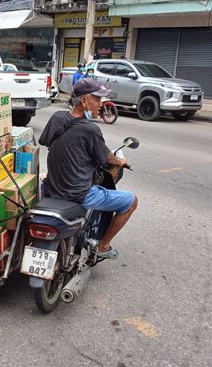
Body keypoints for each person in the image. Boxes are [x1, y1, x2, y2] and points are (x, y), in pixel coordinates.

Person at [38, 78, 138, 259]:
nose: (101, 104)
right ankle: (103, 245)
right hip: (79, 194)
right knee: (132, 201)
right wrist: (120, 162)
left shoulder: (57, 118)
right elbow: (106, 158)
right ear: (84, 101)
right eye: (98, 100)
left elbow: (46, 141)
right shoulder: (90, 129)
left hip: (52, 188)